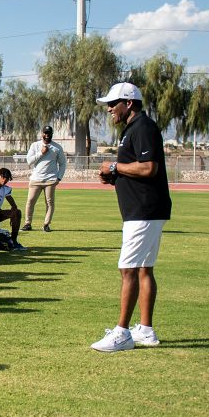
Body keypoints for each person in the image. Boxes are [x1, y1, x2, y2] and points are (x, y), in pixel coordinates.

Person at [92, 82, 171, 353]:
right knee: (143, 268)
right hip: (145, 209)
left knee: (127, 269)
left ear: (129, 103)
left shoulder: (143, 128)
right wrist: (115, 177)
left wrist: (114, 166)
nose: (110, 109)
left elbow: (149, 167)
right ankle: (145, 330)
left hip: (143, 211)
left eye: (113, 104)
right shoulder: (133, 129)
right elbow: (136, 170)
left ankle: (122, 332)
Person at [23, 126, 66, 233]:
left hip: (50, 180)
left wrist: (59, 177)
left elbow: (63, 164)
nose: (47, 135)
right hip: (35, 179)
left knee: (50, 203)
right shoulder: (35, 145)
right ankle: (27, 224)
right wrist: (41, 153)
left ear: (52, 134)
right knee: (30, 201)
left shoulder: (57, 148)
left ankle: (46, 224)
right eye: (45, 133)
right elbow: (29, 161)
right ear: (42, 133)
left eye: (49, 133)